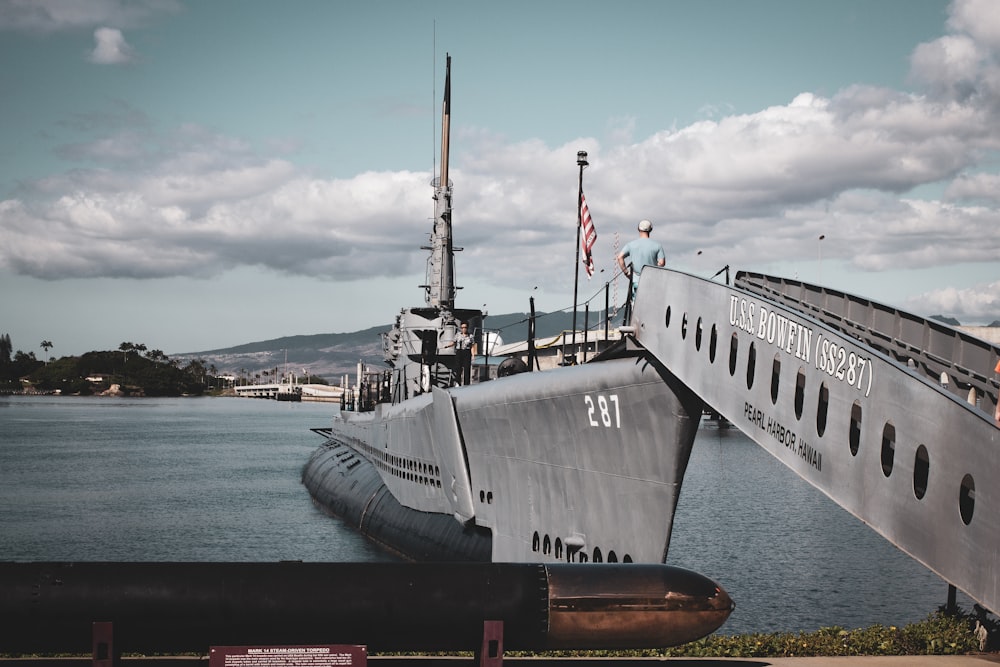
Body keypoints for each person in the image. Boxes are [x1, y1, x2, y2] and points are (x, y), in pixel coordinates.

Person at [617, 219, 665, 298]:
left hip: (636, 281)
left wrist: (627, 273)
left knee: (635, 305)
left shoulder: (630, 245)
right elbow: (662, 263)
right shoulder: (657, 246)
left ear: (638, 229)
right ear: (651, 230)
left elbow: (620, 257)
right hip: (652, 281)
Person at [445, 321, 477, 386]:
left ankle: (466, 383)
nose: (463, 329)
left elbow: (472, 346)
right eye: (462, 328)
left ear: (467, 328)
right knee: (458, 368)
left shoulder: (470, 336)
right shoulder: (458, 335)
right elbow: (454, 342)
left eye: (465, 327)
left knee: (467, 368)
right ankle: (458, 382)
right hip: (459, 351)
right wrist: (447, 346)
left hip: (467, 352)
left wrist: (473, 355)